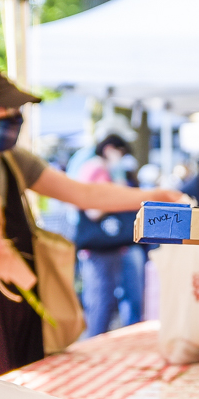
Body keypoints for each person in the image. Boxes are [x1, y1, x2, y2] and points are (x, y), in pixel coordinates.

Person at [0, 69, 178, 377]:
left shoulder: (12, 160)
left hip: (26, 299)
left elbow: (83, 193)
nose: (14, 116)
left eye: (16, 109)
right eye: (4, 108)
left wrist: (155, 195)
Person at [73, 133, 146, 337]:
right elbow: (94, 210)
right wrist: (115, 184)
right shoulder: (95, 168)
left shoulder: (101, 169)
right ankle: (95, 349)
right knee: (101, 301)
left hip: (109, 246)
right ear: (110, 149)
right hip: (98, 248)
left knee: (106, 300)